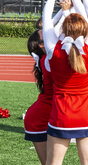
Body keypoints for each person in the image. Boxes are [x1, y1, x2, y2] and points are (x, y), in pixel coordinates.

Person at [42, 0, 88, 165]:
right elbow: (85, 15)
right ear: (85, 30)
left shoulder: (53, 49)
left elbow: (46, 17)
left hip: (61, 115)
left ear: (63, 28)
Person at [24, 29, 54, 165]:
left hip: (49, 115)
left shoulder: (49, 57)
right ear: (42, 45)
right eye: (46, 35)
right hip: (39, 120)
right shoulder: (48, 59)